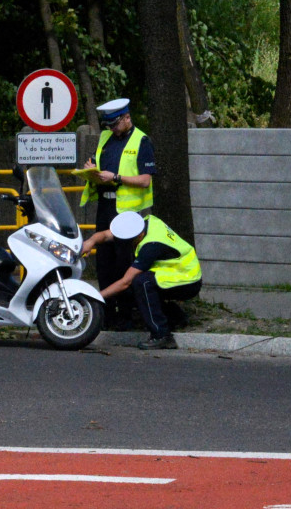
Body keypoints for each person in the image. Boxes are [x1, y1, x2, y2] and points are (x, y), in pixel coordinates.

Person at [80, 98, 157, 330]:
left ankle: (125, 317)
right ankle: (105, 315)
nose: (111, 129)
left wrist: (115, 178)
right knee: (104, 263)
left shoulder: (141, 140)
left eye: (115, 124)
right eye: (108, 125)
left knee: (123, 263)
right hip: (105, 207)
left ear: (127, 118)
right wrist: (90, 170)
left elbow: (145, 180)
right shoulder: (105, 138)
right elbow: (96, 161)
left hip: (127, 213)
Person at [81, 211, 202, 350]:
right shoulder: (140, 224)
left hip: (187, 279)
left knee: (142, 283)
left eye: (128, 242)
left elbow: (125, 282)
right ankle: (175, 317)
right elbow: (106, 235)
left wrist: (94, 296)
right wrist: (91, 241)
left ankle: (162, 335)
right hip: (174, 273)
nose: (123, 245)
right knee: (133, 289)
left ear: (139, 236)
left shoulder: (151, 246)